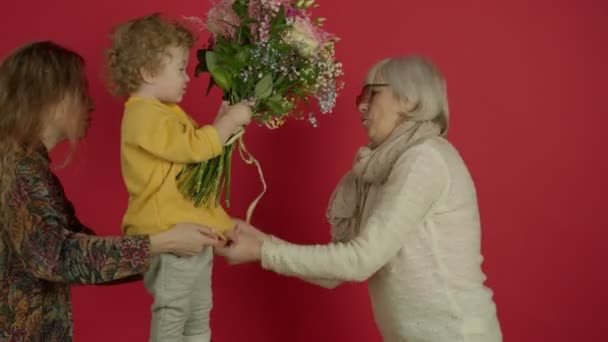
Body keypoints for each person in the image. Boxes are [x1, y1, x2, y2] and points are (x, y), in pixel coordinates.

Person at [216, 56, 503, 341]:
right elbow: (335, 271)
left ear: (409, 100)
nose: (363, 106)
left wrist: (262, 251)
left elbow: (361, 260)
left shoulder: (424, 158)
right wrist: (263, 242)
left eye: (373, 93)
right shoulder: (384, 168)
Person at [0, 41, 222, 341]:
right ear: (51, 98)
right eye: (81, 92)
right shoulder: (21, 169)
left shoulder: (27, 166)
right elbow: (57, 256)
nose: (91, 104)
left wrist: (169, 252)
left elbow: (85, 253)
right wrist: (160, 244)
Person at [105, 13, 252, 342]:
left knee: (199, 312)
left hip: (190, 232)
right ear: (148, 72)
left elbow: (193, 159)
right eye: (180, 68)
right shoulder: (142, 115)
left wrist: (222, 119)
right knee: (173, 311)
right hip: (169, 234)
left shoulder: (164, 112)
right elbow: (192, 148)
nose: (188, 77)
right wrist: (228, 124)